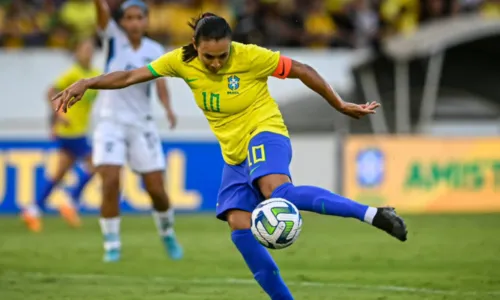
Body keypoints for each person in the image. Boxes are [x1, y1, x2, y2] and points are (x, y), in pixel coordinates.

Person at [52, 13, 408, 299]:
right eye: (210, 56)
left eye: (223, 55)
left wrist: (339, 104)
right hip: (234, 154)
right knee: (240, 227)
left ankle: (373, 213)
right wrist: (87, 82)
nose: (218, 63)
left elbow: (301, 69)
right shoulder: (181, 61)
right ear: (195, 46)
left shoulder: (251, 56)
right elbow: (130, 75)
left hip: (265, 132)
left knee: (277, 192)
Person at [90, 0, 182, 262]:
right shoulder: (112, 39)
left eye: (139, 17)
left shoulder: (154, 49)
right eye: (128, 18)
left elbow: (160, 82)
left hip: (142, 123)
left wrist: (168, 108)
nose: (134, 22)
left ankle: (167, 232)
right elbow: (102, 15)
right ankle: (112, 244)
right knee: (109, 182)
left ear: (146, 21)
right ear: (121, 22)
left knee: (156, 188)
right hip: (110, 122)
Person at [22, 38, 100, 233]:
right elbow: (50, 91)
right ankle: (71, 202)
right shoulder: (72, 74)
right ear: (77, 52)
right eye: (84, 49)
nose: (88, 53)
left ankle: (33, 209)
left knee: (59, 174)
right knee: (95, 163)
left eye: (91, 49)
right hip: (71, 130)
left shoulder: (95, 74)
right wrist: (57, 115)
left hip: (79, 129)